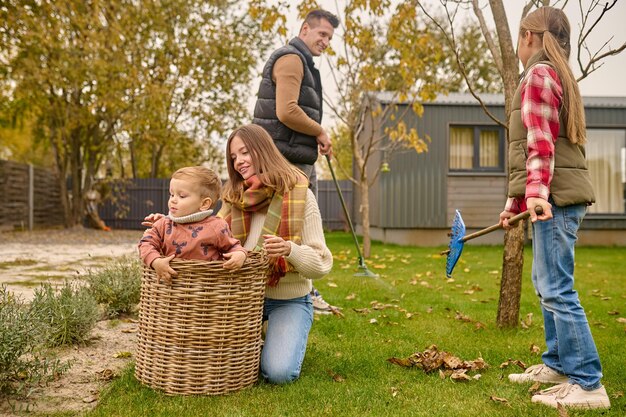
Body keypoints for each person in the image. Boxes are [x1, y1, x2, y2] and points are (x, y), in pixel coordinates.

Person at [500, 7, 610, 410]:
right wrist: (516, 202)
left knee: (556, 288)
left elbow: (541, 145)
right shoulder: (552, 73)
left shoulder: (540, 75)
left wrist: (535, 195)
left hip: (555, 198)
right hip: (553, 195)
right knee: (545, 284)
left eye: (518, 37)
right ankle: (558, 364)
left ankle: (588, 383)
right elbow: (531, 148)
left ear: (529, 36)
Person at [218, 124, 333, 384]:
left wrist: (290, 250)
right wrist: (170, 225)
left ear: (263, 150)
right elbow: (207, 236)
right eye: (233, 157)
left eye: (245, 152)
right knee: (215, 359)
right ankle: (262, 338)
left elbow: (322, 264)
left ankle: (277, 333)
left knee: (278, 373)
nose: (239, 162)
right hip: (242, 299)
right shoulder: (234, 197)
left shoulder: (300, 195)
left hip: (288, 299)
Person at [253, 8, 340, 314]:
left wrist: (315, 138)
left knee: (298, 230)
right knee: (292, 226)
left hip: (295, 155)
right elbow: (286, 111)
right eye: (322, 34)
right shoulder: (291, 59)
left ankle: (303, 289)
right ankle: (295, 293)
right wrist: (320, 131)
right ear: (305, 29)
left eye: (330, 36)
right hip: (283, 158)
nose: (326, 41)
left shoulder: (303, 62)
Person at [139, 166, 247, 282]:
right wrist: (156, 261)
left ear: (204, 204)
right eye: (171, 194)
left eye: (182, 196)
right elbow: (145, 243)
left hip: (206, 288)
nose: (173, 200)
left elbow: (232, 246)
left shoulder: (217, 226)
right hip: (171, 288)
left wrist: (240, 254)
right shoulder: (163, 224)